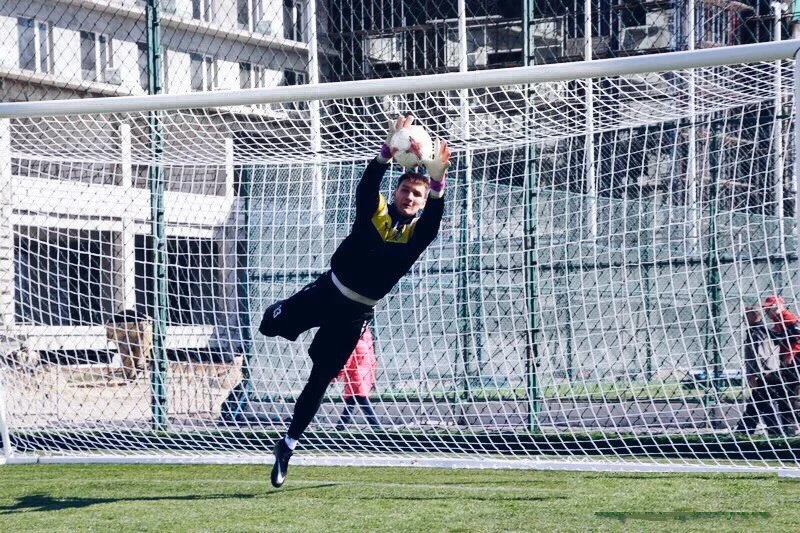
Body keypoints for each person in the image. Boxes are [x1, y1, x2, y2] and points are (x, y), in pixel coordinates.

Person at [259, 115, 451, 487]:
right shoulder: (375, 212)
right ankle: (284, 311)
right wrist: (385, 153)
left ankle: (287, 445)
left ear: (421, 202)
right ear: (396, 192)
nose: (409, 197)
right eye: (405, 190)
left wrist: (438, 182)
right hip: (326, 292)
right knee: (268, 325)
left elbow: (434, 219)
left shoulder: (418, 235)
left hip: (355, 314)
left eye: (417, 195)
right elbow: (367, 187)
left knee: (320, 379)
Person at [736, 306, 782, 435]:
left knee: (760, 403)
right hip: (769, 372)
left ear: (755, 316)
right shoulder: (762, 330)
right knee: (759, 403)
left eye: (746, 315)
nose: (743, 318)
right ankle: (746, 430)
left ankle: (746, 431)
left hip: (764, 374)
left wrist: (756, 374)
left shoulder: (757, 331)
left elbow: (759, 354)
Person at [762, 295, 800, 435]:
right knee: (785, 393)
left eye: (769, 308)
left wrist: (790, 355)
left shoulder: (789, 318)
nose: (767, 311)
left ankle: (791, 426)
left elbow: (797, 339)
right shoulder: (777, 321)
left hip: (795, 360)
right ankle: (788, 427)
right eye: (766, 309)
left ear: (778, 306)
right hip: (785, 361)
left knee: (791, 393)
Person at [334, 326, 380, 430]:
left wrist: (336, 376)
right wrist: (372, 378)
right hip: (365, 375)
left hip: (354, 376)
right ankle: (341, 425)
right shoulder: (367, 342)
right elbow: (373, 361)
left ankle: (376, 426)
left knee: (360, 400)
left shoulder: (353, 342)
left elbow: (346, 361)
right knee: (352, 401)